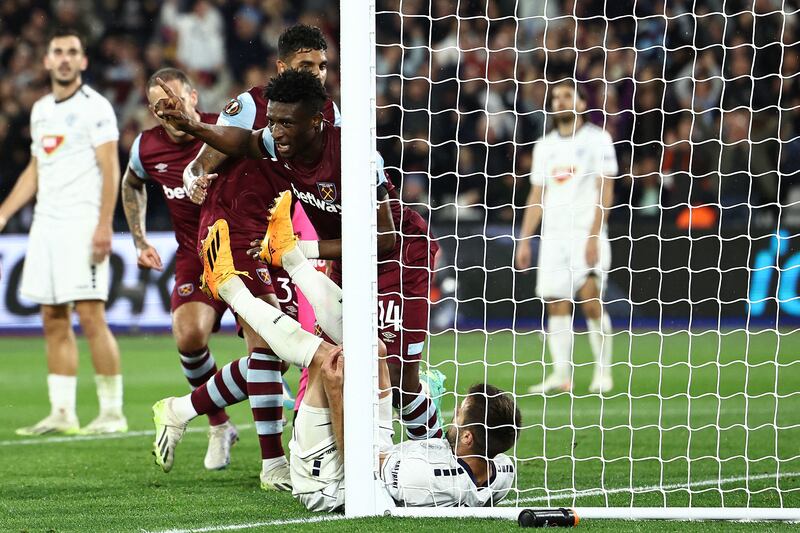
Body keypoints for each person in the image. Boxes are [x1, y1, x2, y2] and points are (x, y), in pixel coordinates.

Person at [156, 69, 446, 443]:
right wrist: (193, 126)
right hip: (346, 258)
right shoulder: (282, 142)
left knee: (391, 375)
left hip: (400, 258)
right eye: (272, 122)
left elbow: (384, 238)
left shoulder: (353, 155)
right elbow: (242, 142)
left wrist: (298, 252)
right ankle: (347, 465)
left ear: (316, 120)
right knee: (336, 363)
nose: (275, 132)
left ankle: (439, 456)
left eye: (285, 124)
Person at [153, 218, 520, 510]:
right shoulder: (501, 470)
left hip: (328, 477)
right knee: (371, 345)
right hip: (380, 446)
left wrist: (334, 388)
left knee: (326, 357)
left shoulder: (418, 476)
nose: (449, 418)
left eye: (458, 416)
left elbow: (357, 466)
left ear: (469, 437)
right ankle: (292, 259)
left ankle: (228, 286)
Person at [0, 28, 126, 435]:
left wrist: (106, 223)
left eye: (74, 51)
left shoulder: (97, 108)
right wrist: (4, 213)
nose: (66, 58)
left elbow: (111, 168)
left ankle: (111, 413)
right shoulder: (40, 110)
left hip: (83, 223)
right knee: (53, 317)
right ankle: (63, 412)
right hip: (45, 226)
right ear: (48, 61)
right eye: (59, 52)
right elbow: (37, 169)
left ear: (83, 62)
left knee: (91, 315)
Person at [120, 68, 237, 469]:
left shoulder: (222, 132)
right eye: (158, 104)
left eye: (173, 98)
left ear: (193, 95)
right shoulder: (146, 146)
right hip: (194, 256)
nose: (167, 108)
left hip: (242, 253)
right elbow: (131, 182)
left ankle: (282, 451)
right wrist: (139, 239)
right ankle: (220, 426)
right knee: (188, 337)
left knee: (273, 352)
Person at [515, 80, 618, 394]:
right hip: (553, 236)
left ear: (582, 104)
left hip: (585, 232)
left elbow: (606, 191)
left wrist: (593, 236)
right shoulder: (544, 146)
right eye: (556, 97)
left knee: (590, 298)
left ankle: (603, 371)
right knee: (555, 303)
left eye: (567, 96)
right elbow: (537, 194)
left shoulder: (598, 139)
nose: (559, 101)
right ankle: (562, 375)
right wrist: (524, 239)